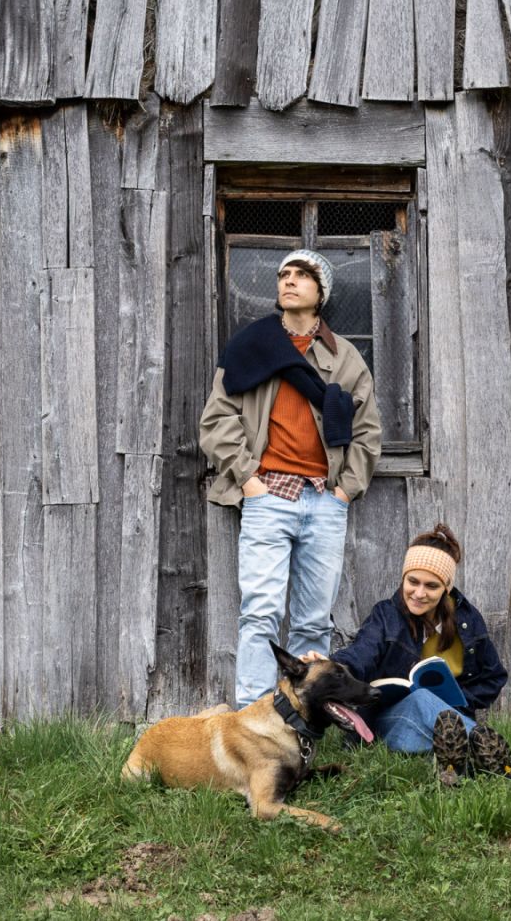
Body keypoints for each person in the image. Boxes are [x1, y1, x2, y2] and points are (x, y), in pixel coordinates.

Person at [199, 249, 383, 707]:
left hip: (324, 500)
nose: (289, 280)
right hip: (268, 495)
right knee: (259, 613)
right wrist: (249, 480)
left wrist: (344, 492)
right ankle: (253, 716)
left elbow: (367, 432)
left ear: (321, 292)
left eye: (302, 274)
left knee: (313, 621)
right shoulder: (251, 346)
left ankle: (301, 718)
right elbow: (216, 419)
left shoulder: (345, 358)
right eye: (284, 274)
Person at [320, 523, 511, 781]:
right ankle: (496, 760)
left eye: (431, 586)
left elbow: (494, 677)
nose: (419, 593)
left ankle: (456, 764)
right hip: (388, 718)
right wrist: (327, 666)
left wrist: (457, 701)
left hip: (448, 722)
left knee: (436, 715)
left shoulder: (467, 620)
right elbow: (361, 653)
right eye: (413, 582)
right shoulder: (385, 615)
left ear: (446, 588)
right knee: (421, 699)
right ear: (403, 578)